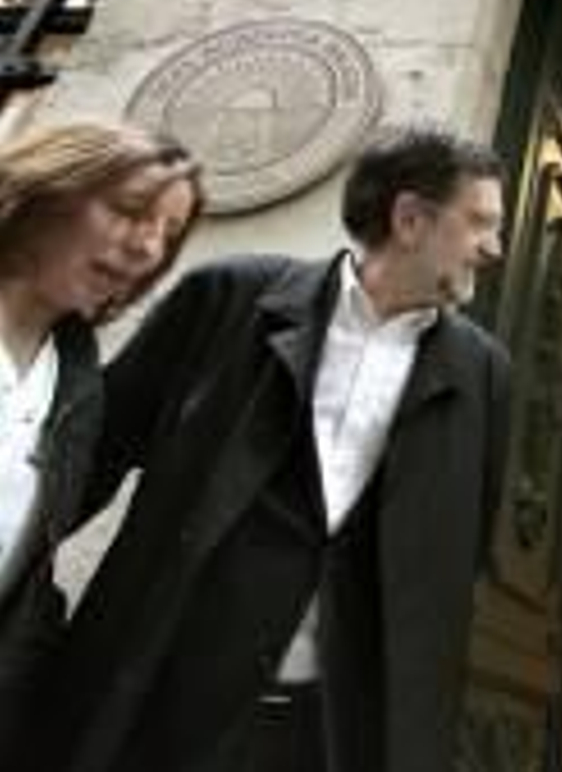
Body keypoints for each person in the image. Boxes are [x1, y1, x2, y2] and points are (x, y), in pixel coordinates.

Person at [37, 124, 511, 772]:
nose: (494, 246)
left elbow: (462, 553)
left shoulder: (484, 371)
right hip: (166, 697)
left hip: (333, 728)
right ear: (409, 218)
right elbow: (84, 462)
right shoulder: (230, 296)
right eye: (479, 221)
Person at [0, 121, 203, 754]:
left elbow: (29, 578)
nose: (149, 249)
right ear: (47, 188)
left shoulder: (78, 379)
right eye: (131, 212)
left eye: (168, 237)